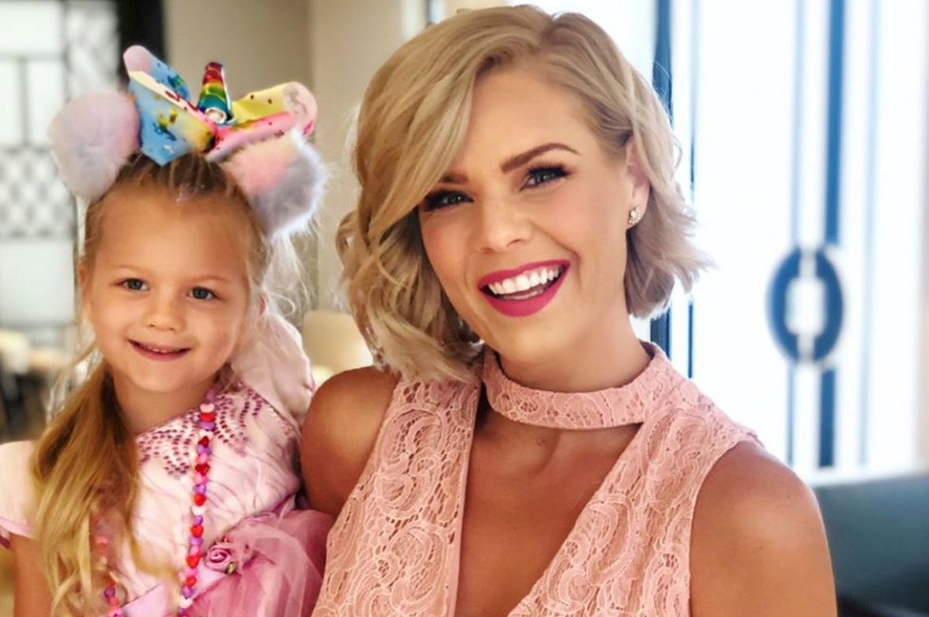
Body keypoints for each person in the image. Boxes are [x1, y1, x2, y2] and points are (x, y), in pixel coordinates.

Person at [301, 6, 836, 616]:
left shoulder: (748, 516)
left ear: (634, 178)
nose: (496, 232)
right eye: (447, 197)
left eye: (541, 175)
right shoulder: (356, 434)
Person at [0, 45, 330, 617]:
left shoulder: (272, 401)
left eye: (202, 293)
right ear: (87, 287)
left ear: (254, 313)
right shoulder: (46, 485)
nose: (164, 316)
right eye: (134, 284)